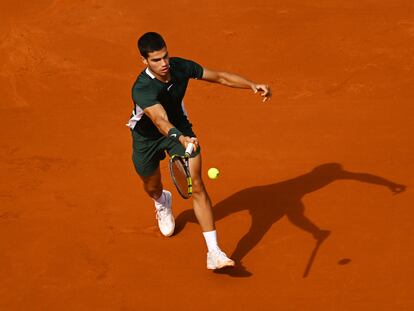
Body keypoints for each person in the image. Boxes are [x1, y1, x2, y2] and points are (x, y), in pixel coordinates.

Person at [126, 32, 272, 270]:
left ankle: (213, 252)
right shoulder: (141, 88)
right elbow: (160, 120)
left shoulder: (181, 67)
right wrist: (179, 137)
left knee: (197, 184)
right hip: (147, 138)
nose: (163, 64)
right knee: (151, 186)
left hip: (181, 131)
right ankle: (162, 201)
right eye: (155, 60)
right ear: (144, 61)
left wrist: (251, 85)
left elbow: (220, 77)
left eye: (165, 57)